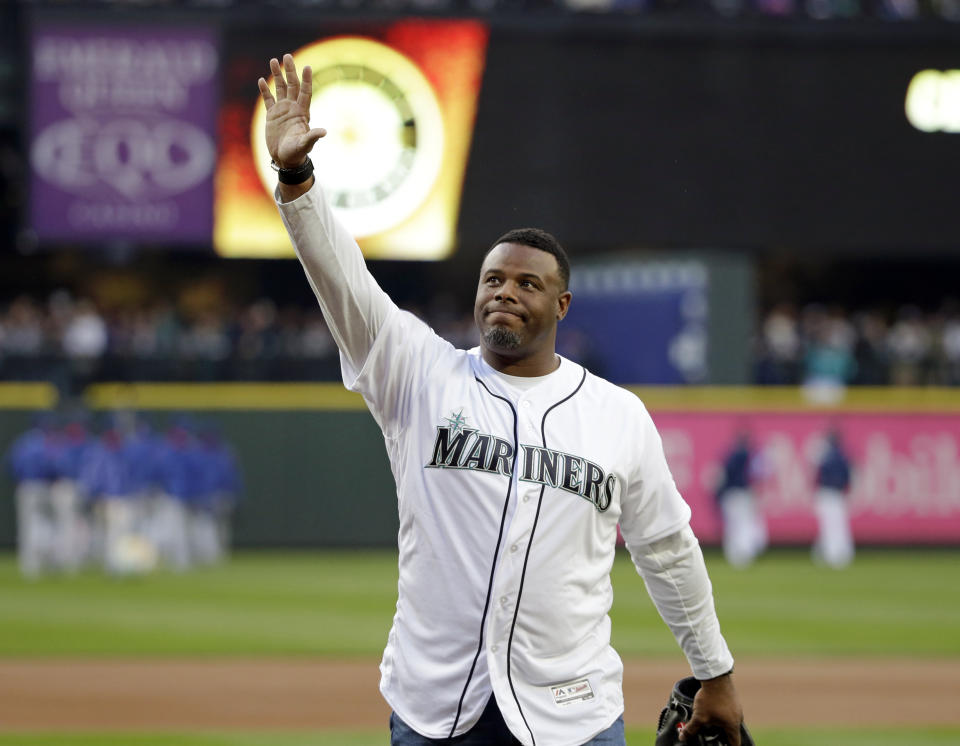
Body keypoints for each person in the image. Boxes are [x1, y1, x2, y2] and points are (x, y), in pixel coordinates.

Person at [258, 54, 745, 746]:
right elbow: (342, 278)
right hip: (437, 707)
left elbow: (666, 549)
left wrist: (715, 671)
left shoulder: (617, 416)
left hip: (572, 713)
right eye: (492, 279)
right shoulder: (417, 373)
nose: (505, 292)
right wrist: (297, 181)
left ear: (563, 303)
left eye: (526, 283)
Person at [714, 431, 767, 568]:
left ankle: (736, 554)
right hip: (740, 493)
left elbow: (724, 474)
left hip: (733, 493)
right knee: (742, 524)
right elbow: (756, 473)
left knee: (734, 525)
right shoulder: (747, 455)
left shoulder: (733, 455)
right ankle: (743, 553)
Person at [812, 428, 854, 568]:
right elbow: (848, 477)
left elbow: (817, 477)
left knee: (831, 525)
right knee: (837, 525)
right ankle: (837, 553)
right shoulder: (842, 455)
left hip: (828, 493)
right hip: (836, 494)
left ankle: (834, 554)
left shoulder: (825, 456)